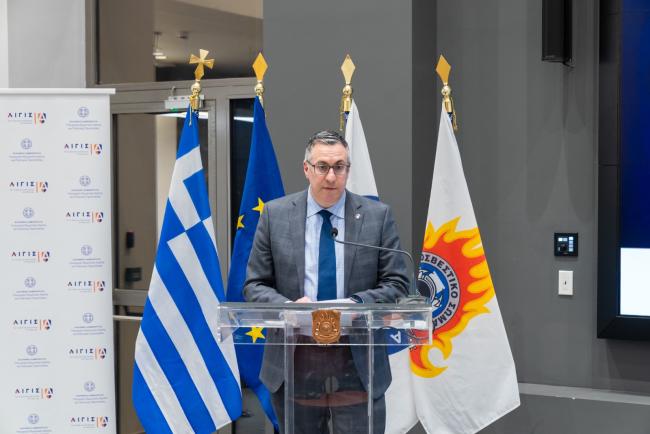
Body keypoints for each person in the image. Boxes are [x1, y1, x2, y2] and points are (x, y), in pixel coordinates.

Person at [244, 130, 409, 434]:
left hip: (357, 361)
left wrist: (356, 305)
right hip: (296, 359)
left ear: (348, 170)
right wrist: (289, 307)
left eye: (339, 167)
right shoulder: (275, 215)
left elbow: (397, 282)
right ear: (307, 169)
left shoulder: (377, 216)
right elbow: (254, 285)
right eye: (322, 166)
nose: (331, 176)